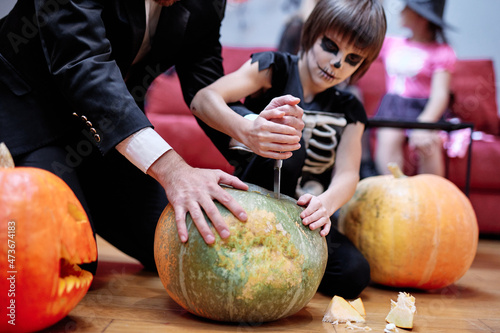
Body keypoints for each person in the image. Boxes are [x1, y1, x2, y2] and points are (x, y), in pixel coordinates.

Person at [0, 0, 302, 273]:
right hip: (29, 108)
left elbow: (204, 79)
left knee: (188, 245)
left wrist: (250, 127)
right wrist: (173, 171)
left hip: (113, 134)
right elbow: (83, 65)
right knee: (71, 265)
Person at [191, 0, 387, 298]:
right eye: (330, 46)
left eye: (352, 59)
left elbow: (348, 173)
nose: (337, 63)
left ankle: (283, 268)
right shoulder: (273, 67)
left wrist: (327, 204)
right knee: (288, 134)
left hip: (304, 220)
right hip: (254, 204)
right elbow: (203, 99)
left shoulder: (350, 108)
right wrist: (248, 128)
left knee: (354, 274)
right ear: (311, 33)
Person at [373, 0, 456, 176]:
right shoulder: (392, 43)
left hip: (422, 109)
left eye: (407, 8)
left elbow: (440, 94)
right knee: (388, 138)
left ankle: (430, 196)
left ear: (421, 18)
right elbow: (364, 40)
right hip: (393, 108)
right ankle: (395, 192)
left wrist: (424, 124)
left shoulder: (442, 52)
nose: (402, 11)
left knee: (427, 143)